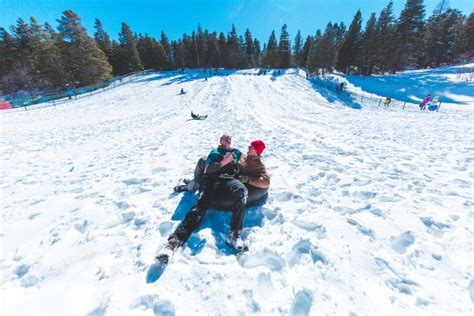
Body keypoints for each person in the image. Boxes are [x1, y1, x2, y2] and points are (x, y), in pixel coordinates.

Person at [157, 140, 270, 261]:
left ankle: (234, 235)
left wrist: (246, 178)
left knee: (242, 192)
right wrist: (222, 161)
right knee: (200, 206)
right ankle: (173, 242)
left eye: (251, 147)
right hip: (213, 179)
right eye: (224, 140)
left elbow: (266, 181)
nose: (248, 147)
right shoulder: (222, 154)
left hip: (230, 180)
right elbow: (209, 168)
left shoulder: (251, 161)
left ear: (257, 151)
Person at [174, 134, 239, 193]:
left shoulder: (235, 151)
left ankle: (191, 186)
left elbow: (208, 170)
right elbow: (208, 168)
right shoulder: (216, 151)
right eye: (223, 138)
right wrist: (222, 162)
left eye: (228, 138)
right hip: (214, 169)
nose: (227, 140)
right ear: (221, 141)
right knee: (203, 161)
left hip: (223, 175)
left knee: (204, 167)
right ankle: (194, 182)